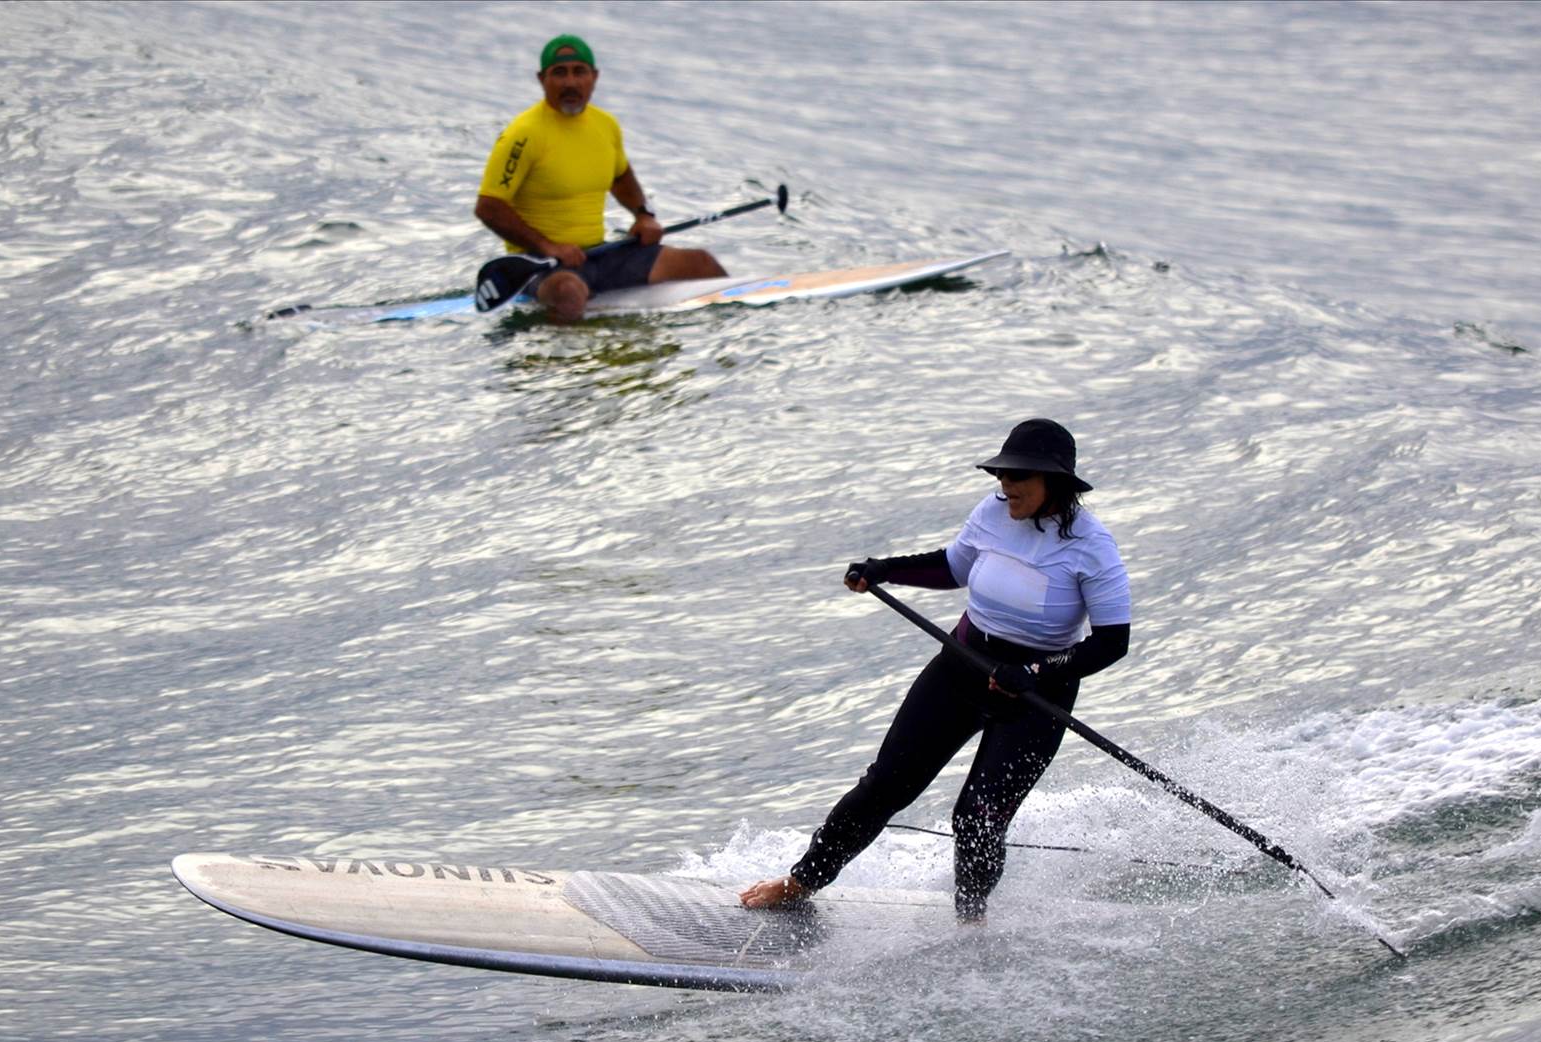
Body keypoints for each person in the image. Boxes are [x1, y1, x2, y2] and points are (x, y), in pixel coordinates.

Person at [741, 419, 1133, 922]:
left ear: (1054, 481)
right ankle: (800, 883)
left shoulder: (1092, 545)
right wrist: (886, 569)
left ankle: (971, 922)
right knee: (886, 785)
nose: (1004, 484)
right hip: (962, 666)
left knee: (977, 816)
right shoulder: (993, 512)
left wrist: (1036, 671)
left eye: (1018, 476)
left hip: (1035, 694)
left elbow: (1111, 642)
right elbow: (953, 568)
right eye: (1000, 473)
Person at [474, 34, 726, 323]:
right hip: (543, 265)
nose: (570, 82)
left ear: (594, 77)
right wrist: (548, 246)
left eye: (579, 72)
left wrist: (644, 215)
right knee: (568, 293)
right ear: (542, 79)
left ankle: (727, 340)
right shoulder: (522, 135)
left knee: (700, 263)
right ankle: (566, 349)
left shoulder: (606, 126)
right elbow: (489, 207)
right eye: (559, 73)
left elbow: (620, 177)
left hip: (600, 255)